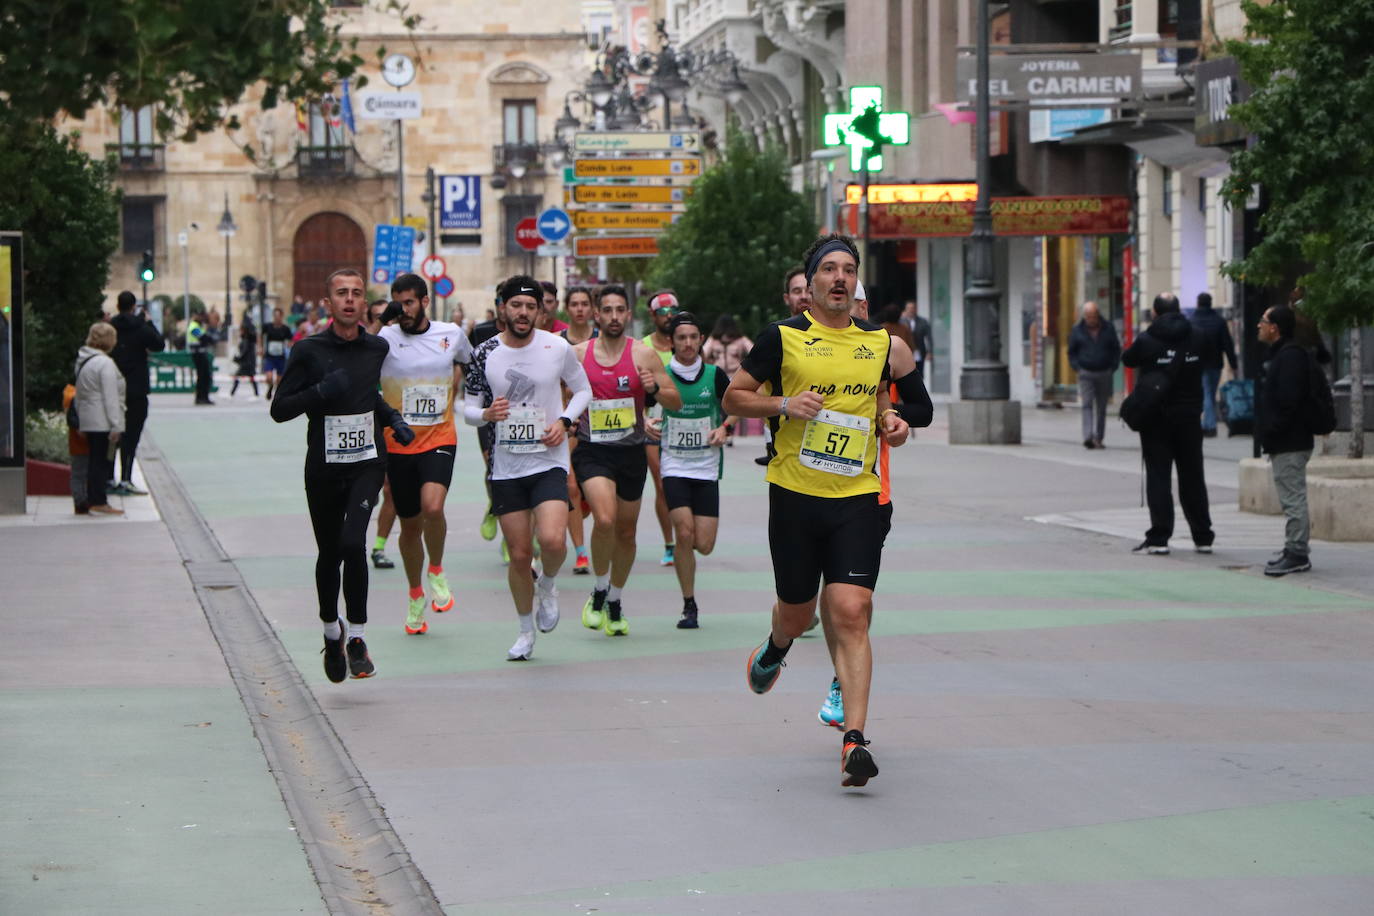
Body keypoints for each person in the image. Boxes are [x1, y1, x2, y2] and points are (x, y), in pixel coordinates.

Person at [723, 233, 910, 788]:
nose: (839, 278)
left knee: (851, 609)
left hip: (856, 493)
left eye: (847, 269)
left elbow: (881, 408)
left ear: (856, 282)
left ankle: (854, 739)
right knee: (799, 612)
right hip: (796, 494)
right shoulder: (781, 338)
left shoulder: (876, 343)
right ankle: (777, 647)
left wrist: (892, 426)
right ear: (811, 282)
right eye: (828, 269)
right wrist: (783, 403)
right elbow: (735, 396)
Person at [270, 268, 415, 682]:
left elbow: (368, 396)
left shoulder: (375, 349)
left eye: (356, 293)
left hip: (368, 461)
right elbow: (279, 409)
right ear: (328, 304)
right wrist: (319, 393)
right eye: (341, 294)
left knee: (354, 542)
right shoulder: (308, 350)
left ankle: (357, 638)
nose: (350, 300)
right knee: (330, 553)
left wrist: (393, 419)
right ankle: (331, 631)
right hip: (324, 467)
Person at [815, 278, 935, 731]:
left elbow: (923, 409)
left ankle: (839, 679)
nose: (854, 308)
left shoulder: (886, 349)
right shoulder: (812, 346)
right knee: (827, 595)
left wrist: (894, 418)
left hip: (869, 491)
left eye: (861, 301)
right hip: (808, 489)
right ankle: (805, 654)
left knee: (854, 602)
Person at [463, 275, 592, 659]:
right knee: (519, 555)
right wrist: (485, 413)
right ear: (503, 308)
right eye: (516, 306)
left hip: (549, 461)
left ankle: (548, 583)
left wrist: (565, 422)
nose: (523, 313)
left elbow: (582, 389)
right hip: (507, 467)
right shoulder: (484, 351)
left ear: (540, 310)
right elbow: (466, 408)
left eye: (530, 307)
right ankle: (524, 631)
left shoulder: (557, 347)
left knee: (553, 541)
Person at [572, 284, 681, 635]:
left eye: (621, 310)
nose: (614, 317)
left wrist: (652, 389)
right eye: (607, 310)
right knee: (604, 519)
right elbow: (559, 393)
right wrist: (566, 420)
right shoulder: (577, 354)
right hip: (592, 450)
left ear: (628, 315)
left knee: (626, 531)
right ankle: (600, 588)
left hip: (631, 450)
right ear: (596, 315)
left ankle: (615, 599)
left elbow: (674, 400)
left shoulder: (643, 355)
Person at [376, 274, 474, 635]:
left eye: (409, 303)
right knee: (410, 524)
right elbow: (357, 356)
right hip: (398, 443)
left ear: (425, 301)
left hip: (440, 436)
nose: (403, 310)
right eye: (397, 303)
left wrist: (475, 404)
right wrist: (379, 322)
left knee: (433, 507)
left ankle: (436, 568)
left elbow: (473, 364)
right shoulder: (385, 339)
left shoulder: (450, 334)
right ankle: (416, 593)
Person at [656, 311, 734, 629]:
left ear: (701, 339)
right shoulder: (662, 374)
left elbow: (738, 405)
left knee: (704, 544)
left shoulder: (715, 375)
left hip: (706, 465)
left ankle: (689, 591)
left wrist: (725, 428)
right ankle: (689, 605)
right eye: (681, 338)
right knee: (683, 533)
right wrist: (649, 422)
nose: (687, 343)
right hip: (674, 463)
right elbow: (647, 406)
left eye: (692, 337)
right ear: (672, 342)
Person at [1121, 292, 1214, 555]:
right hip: (1189, 418)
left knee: (1159, 476)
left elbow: (1128, 359)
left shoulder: (1147, 339)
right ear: (1179, 310)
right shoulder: (1197, 336)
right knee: (1193, 476)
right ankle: (1203, 536)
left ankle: (1160, 537)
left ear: (1155, 313)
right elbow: (1209, 358)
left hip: (1156, 419)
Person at [1256, 305, 1315, 577]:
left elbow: (1288, 402)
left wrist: (1273, 429)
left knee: (1293, 498)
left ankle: (1297, 553)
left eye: (1263, 321)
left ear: (1274, 328)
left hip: (1290, 440)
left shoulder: (1289, 357)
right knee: (1291, 495)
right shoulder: (1283, 354)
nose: (1258, 325)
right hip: (1286, 439)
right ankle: (1292, 548)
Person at [108, 290, 164, 495]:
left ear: (117, 306)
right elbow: (159, 344)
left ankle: (108, 477)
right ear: (134, 307)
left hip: (114, 388)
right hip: (137, 389)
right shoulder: (141, 327)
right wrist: (148, 322)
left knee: (113, 435)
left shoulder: (111, 327)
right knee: (132, 436)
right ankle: (126, 477)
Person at [641, 289, 681, 566]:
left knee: (681, 483)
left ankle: (684, 537)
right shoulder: (642, 348)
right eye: (664, 312)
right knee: (662, 484)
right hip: (653, 422)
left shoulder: (686, 342)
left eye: (673, 311)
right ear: (652, 315)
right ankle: (670, 543)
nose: (669, 316)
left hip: (684, 423)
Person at [560, 285, 598, 574]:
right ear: (567, 308)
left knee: (597, 493)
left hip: (601, 426)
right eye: (575, 304)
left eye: (585, 303)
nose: (580, 309)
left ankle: (602, 539)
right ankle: (581, 552)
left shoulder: (602, 341)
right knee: (571, 486)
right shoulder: (557, 343)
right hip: (569, 425)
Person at [74, 322, 127, 516]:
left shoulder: (84, 360)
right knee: (101, 461)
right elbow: (110, 396)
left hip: (89, 417)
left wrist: (80, 420)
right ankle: (99, 500)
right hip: (102, 419)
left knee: (93, 460)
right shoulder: (105, 363)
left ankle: (93, 498)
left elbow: (79, 393)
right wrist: (116, 425)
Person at [364, 300, 398, 570]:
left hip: (395, 424)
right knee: (370, 490)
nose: (388, 322)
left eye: (391, 317)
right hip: (367, 423)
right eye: (379, 318)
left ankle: (378, 546)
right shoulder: (364, 347)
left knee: (391, 491)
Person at [1068, 301, 1122, 449]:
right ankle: (1087, 437)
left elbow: (1116, 349)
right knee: (1086, 405)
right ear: (1084, 316)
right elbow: (1072, 351)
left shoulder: (1108, 328)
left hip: (1104, 371)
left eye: (1093, 316)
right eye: (1088, 316)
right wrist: (1077, 367)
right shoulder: (1077, 330)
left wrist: (1113, 366)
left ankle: (1099, 437)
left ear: (1097, 314)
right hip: (1085, 372)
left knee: (1101, 407)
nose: (1091, 319)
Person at [1189, 292, 1238, 437]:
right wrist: (1233, 363)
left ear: (1198, 303)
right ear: (1210, 304)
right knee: (1209, 392)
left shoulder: (1192, 321)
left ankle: (1209, 426)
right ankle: (1208, 424)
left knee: (1206, 394)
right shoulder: (1219, 321)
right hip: (1216, 363)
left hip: (1197, 364)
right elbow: (1227, 344)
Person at [702, 314, 753, 380]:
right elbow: (755, 352)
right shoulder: (741, 338)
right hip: (736, 374)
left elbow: (703, 354)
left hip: (718, 374)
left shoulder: (713, 339)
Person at [262, 308, 293, 401]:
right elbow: (260, 335)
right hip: (270, 355)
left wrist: (289, 345)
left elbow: (290, 339)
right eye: (275, 316)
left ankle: (276, 393)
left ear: (281, 317)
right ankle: (270, 386)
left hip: (280, 356)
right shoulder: (268, 327)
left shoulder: (285, 328)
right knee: (269, 377)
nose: (277, 318)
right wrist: (260, 347)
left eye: (278, 316)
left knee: (279, 380)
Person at [230, 308, 260, 398]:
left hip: (246, 363)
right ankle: (256, 393)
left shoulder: (246, 340)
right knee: (250, 377)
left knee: (238, 377)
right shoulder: (247, 339)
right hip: (249, 362)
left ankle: (232, 393)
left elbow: (244, 352)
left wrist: (237, 358)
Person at [187, 309, 215, 405]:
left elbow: (207, 338)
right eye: (201, 316)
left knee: (205, 376)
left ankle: (204, 397)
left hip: (201, 353)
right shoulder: (193, 327)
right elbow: (204, 338)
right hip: (198, 354)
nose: (203, 318)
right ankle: (201, 398)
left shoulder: (199, 326)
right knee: (203, 376)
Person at [905, 301, 933, 383]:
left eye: (912, 308)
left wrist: (930, 352)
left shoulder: (923, 321)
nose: (911, 310)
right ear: (906, 310)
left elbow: (929, 337)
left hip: (919, 350)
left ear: (916, 309)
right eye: (909, 308)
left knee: (919, 372)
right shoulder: (902, 322)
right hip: (907, 351)